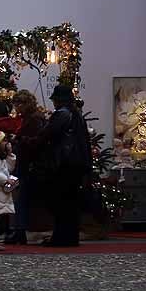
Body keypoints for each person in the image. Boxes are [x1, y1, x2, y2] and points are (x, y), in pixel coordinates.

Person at [36, 84, 92, 247]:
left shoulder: (61, 115)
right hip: (76, 164)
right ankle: (70, 236)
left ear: (59, 100)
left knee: (61, 202)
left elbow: (47, 134)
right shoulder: (77, 115)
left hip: (63, 164)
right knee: (71, 203)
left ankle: (60, 236)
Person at [7, 90, 46, 245]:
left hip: (27, 166)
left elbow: (34, 142)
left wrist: (17, 140)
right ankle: (18, 230)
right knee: (18, 196)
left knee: (20, 198)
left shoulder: (34, 119)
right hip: (25, 165)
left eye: (19, 104)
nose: (17, 107)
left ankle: (20, 231)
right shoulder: (30, 118)